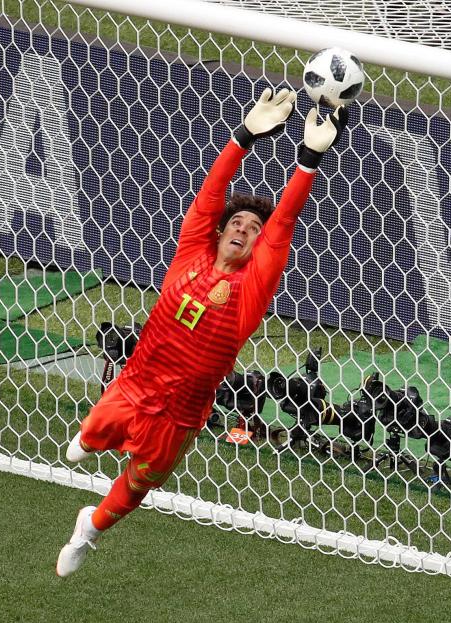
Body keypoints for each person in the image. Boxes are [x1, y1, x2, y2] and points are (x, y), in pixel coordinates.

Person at [56, 88, 349, 577]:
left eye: (253, 228)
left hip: (181, 411)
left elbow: (284, 225)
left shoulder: (250, 288)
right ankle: (90, 440)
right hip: (134, 385)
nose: (243, 229)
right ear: (218, 231)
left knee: (139, 484)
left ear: (259, 247)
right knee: (84, 442)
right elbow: (209, 196)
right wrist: (244, 136)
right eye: (236, 222)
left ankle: (89, 528)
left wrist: (308, 160)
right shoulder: (191, 254)